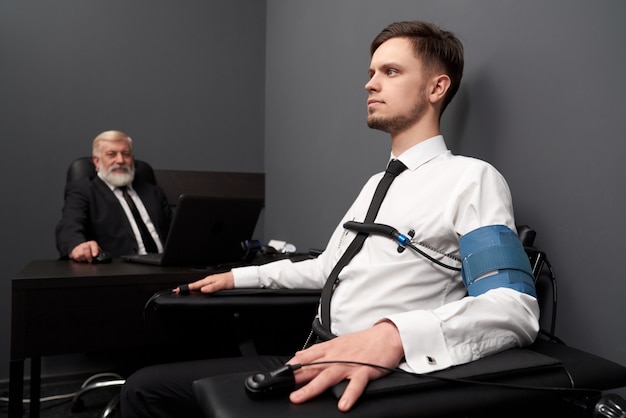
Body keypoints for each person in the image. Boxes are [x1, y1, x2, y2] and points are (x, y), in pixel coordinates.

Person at [120, 20, 539, 417]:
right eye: (372, 71)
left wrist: (394, 336)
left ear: (437, 87)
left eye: (390, 71)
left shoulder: (471, 178)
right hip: (314, 351)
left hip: (380, 373)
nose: (370, 83)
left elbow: (513, 308)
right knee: (144, 387)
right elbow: (328, 268)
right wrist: (237, 277)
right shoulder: (376, 184)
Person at [56, 130, 173, 262]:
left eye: (126, 154)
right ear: (96, 161)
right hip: (116, 271)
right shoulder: (83, 190)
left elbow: (175, 231)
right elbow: (69, 226)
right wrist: (77, 245)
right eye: (111, 154)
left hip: (166, 268)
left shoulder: (153, 192)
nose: (120, 160)